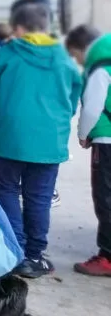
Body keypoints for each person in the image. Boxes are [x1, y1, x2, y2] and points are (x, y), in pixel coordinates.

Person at [0, 4, 81, 278]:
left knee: (6, 190)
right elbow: (74, 97)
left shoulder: (6, 54)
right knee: (39, 197)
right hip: (49, 141)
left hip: (9, 136)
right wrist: (59, 120)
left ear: (19, 28)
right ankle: (34, 256)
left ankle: (14, 251)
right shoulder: (63, 59)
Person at [64, 25, 111, 277]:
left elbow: (92, 108)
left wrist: (83, 134)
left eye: (75, 55)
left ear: (80, 48)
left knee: (107, 197)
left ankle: (108, 257)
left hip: (107, 140)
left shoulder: (100, 67)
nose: (78, 62)